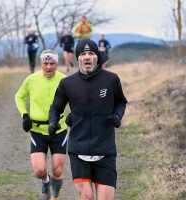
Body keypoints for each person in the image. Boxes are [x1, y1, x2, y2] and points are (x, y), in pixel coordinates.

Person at [48, 39, 128, 200]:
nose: (87, 57)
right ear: (77, 58)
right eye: (83, 54)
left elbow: (121, 101)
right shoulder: (67, 83)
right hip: (78, 149)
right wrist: (53, 122)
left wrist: (117, 116)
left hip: (105, 149)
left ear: (97, 57)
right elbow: (55, 107)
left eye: (91, 53)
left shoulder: (111, 79)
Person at [15, 50, 68, 200]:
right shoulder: (31, 80)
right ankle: (46, 181)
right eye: (46, 63)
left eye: (52, 64)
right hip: (37, 130)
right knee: (39, 170)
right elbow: (19, 97)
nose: (49, 67)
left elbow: (75, 101)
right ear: (41, 64)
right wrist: (24, 115)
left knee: (57, 170)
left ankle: (54, 198)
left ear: (57, 64)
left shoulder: (65, 81)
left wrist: (73, 116)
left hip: (59, 130)